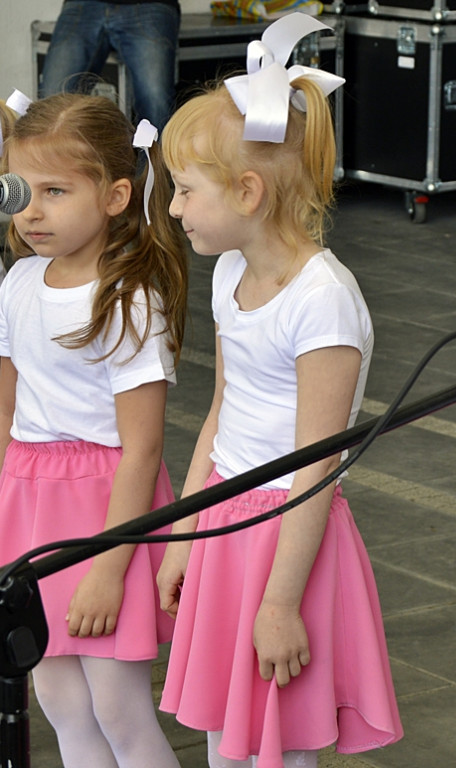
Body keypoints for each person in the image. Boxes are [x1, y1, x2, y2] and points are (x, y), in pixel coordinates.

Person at [155, 14, 402, 768]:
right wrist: (181, 536)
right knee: (222, 741)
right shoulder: (231, 273)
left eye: (186, 191)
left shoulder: (320, 299)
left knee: (269, 746)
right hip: (225, 516)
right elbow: (222, 414)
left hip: (286, 537)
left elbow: (317, 463)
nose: (172, 209)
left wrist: (279, 601)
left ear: (249, 191)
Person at [0, 93, 188, 767]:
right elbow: (6, 411)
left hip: (105, 511)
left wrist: (109, 569)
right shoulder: (17, 282)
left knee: (118, 711)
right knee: (61, 708)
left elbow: (141, 449)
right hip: (29, 506)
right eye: (23, 189)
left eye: (56, 191)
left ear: (113, 196)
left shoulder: (130, 298)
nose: (32, 211)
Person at [40, 0, 181, 129]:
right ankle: (55, 156)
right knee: (51, 98)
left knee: (156, 99)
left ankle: (155, 156)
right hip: (83, 4)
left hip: (149, 4)